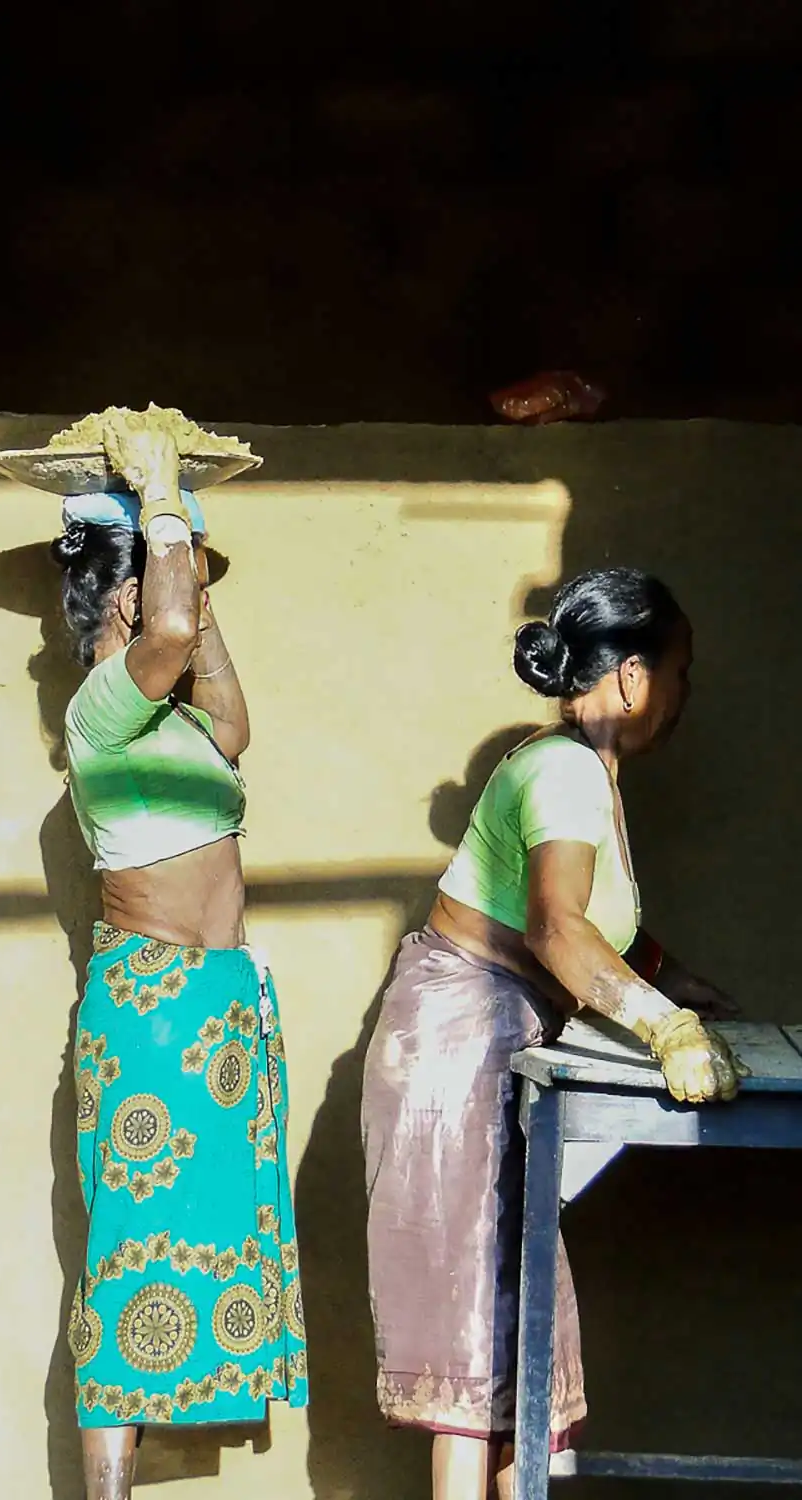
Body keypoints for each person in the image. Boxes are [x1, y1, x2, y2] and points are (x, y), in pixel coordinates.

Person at [361, 567, 745, 1500]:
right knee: (476, 1347)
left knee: (512, 1334)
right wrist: (664, 1026)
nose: (686, 695)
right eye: (683, 672)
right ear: (632, 677)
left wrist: (673, 980)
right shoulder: (565, 771)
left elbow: (601, 927)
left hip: (485, 1042)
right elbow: (556, 928)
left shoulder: (580, 771)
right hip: (456, 1051)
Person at [51, 424, 307, 1500]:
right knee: (128, 1262)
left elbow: (234, 721)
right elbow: (165, 626)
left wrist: (188, 559)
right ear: (124, 602)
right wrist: (160, 494)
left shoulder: (183, 726)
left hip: (215, 1013)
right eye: (171, 593)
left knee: (199, 1244)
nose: (189, 610)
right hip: (153, 1013)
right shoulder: (101, 712)